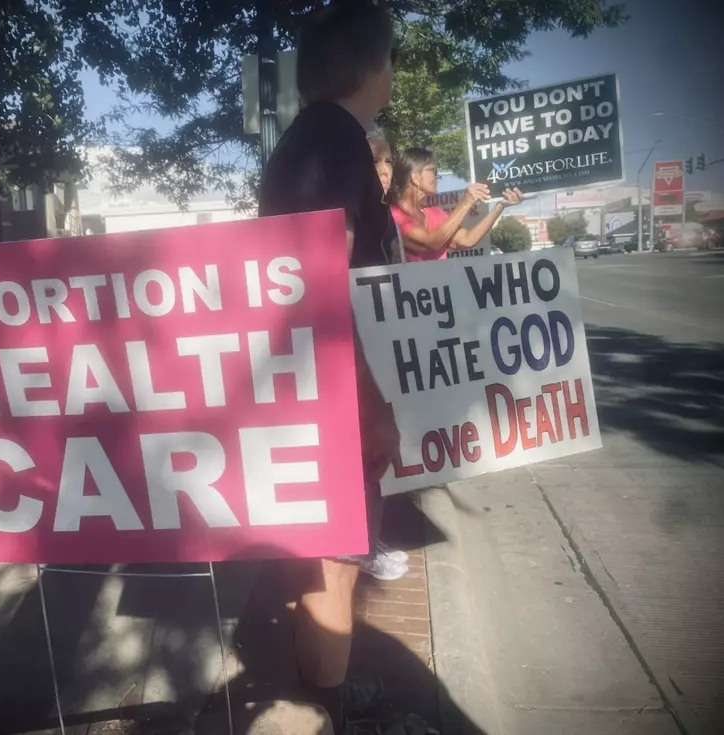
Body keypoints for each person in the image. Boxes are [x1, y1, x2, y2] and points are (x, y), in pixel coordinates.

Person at [257, 2, 404, 731]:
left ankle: (324, 689)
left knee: (328, 553)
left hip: (314, 383)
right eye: (394, 60)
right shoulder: (336, 144)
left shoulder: (311, 140)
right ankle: (326, 708)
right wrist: (371, 402)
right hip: (331, 390)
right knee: (335, 555)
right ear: (375, 68)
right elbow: (324, 288)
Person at [390, 147, 523, 261]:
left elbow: (466, 240)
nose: (437, 177)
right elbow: (432, 242)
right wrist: (466, 203)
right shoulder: (393, 215)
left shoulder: (435, 213)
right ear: (415, 177)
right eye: (433, 171)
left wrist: (500, 206)